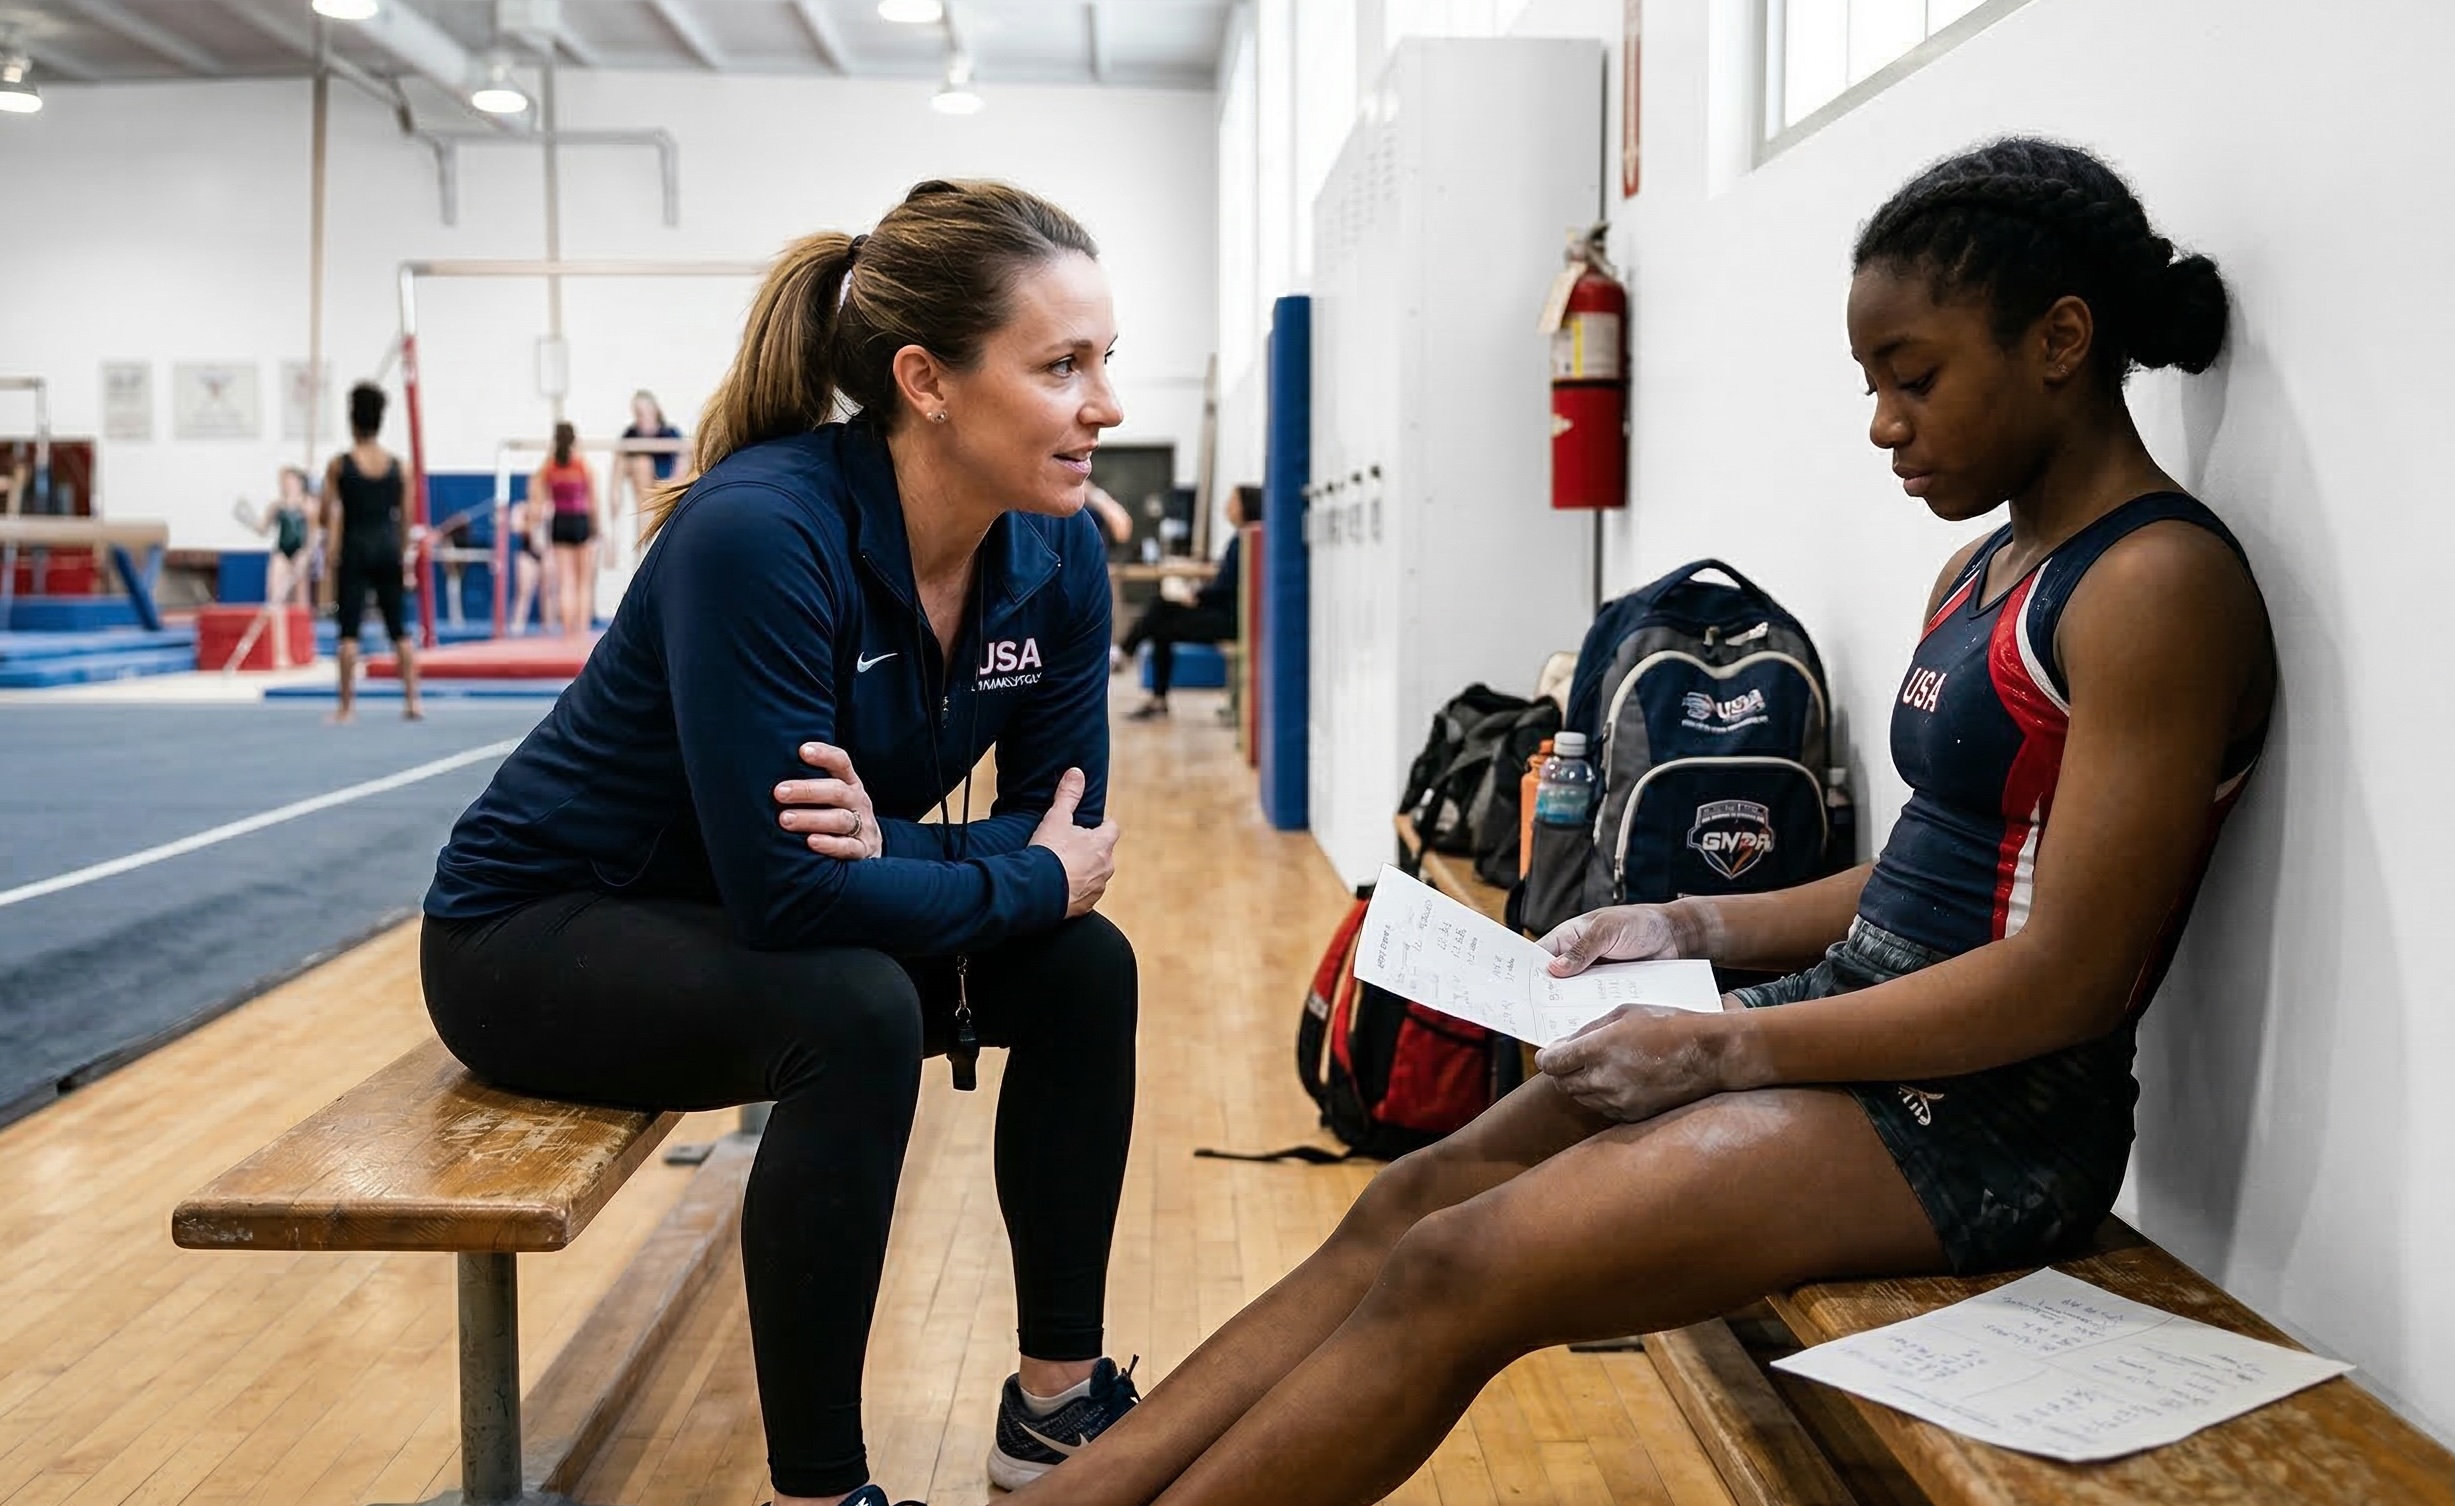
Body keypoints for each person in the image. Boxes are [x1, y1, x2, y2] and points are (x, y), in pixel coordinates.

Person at [1005, 137, 2275, 1506]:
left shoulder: (2154, 585)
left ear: (2059, 341)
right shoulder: (1984, 568)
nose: (1882, 424)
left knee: (1459, 1267)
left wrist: (1724, 1047)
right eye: (1871, 385)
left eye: (1913, 379)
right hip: (1856, 1021)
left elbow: (2061, 977)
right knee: (1402, 1203)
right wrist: (1683, 922)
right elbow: (1916, 882)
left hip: (1986, 1118)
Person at [421, 180, 1141, 1506]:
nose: (1105, 404)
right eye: (1061, 367)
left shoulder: (1056, 556)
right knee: (853, 1004)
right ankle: (818, 1490)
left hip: (746, 913)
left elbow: (1064, 844)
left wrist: (905, 858)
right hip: (536, 930)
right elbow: (808, 895)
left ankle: (1055, 1404)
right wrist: (961, 869)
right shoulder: (760, 531)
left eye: (1105, 362)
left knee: (1084, 969)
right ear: (926, 380)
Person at [323, 383, 421, 722]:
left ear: (352, 421)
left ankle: (346, 707)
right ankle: (412, 701)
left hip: (354, 549)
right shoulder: (399, 466)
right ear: (380, 421)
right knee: (400, 629)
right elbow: (406, 518)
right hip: (387, 548)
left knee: (348, 631)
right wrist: (406, 557)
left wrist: (330, 559)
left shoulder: (339, 466)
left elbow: (329, 515)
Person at [1114, 489, 1250, 719]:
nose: (1227, 507)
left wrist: (1196, 596)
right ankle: (1131, 662)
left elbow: (1227, 589)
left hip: (1228, 618)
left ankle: (1126, 655)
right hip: (1225, 610)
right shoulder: (1242, 540)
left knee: (1160, 620)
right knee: (1161, 612)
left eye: (1232, 501)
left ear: (1245, 506)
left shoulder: (1242, 542)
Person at [533, 422, 599, 638]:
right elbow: (593, 500)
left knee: (565, 581)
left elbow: (538, 496)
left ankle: (568, 631)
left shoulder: (549, 467)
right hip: (579, 520)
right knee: (583, 580)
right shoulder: (581, 465)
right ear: (574, 440)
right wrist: (596, 527)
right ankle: (582, 629)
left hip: (560, 521)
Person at [621, 388, 687, 514]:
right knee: (641, 462)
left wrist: (673, 484)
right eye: (637, 414)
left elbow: (683, 460)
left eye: (643, 413)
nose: (641, 418)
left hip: (668, 483)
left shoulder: (670, 433)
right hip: (644, 491)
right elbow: (619, 463)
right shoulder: (631, 434)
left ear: (654, 411)